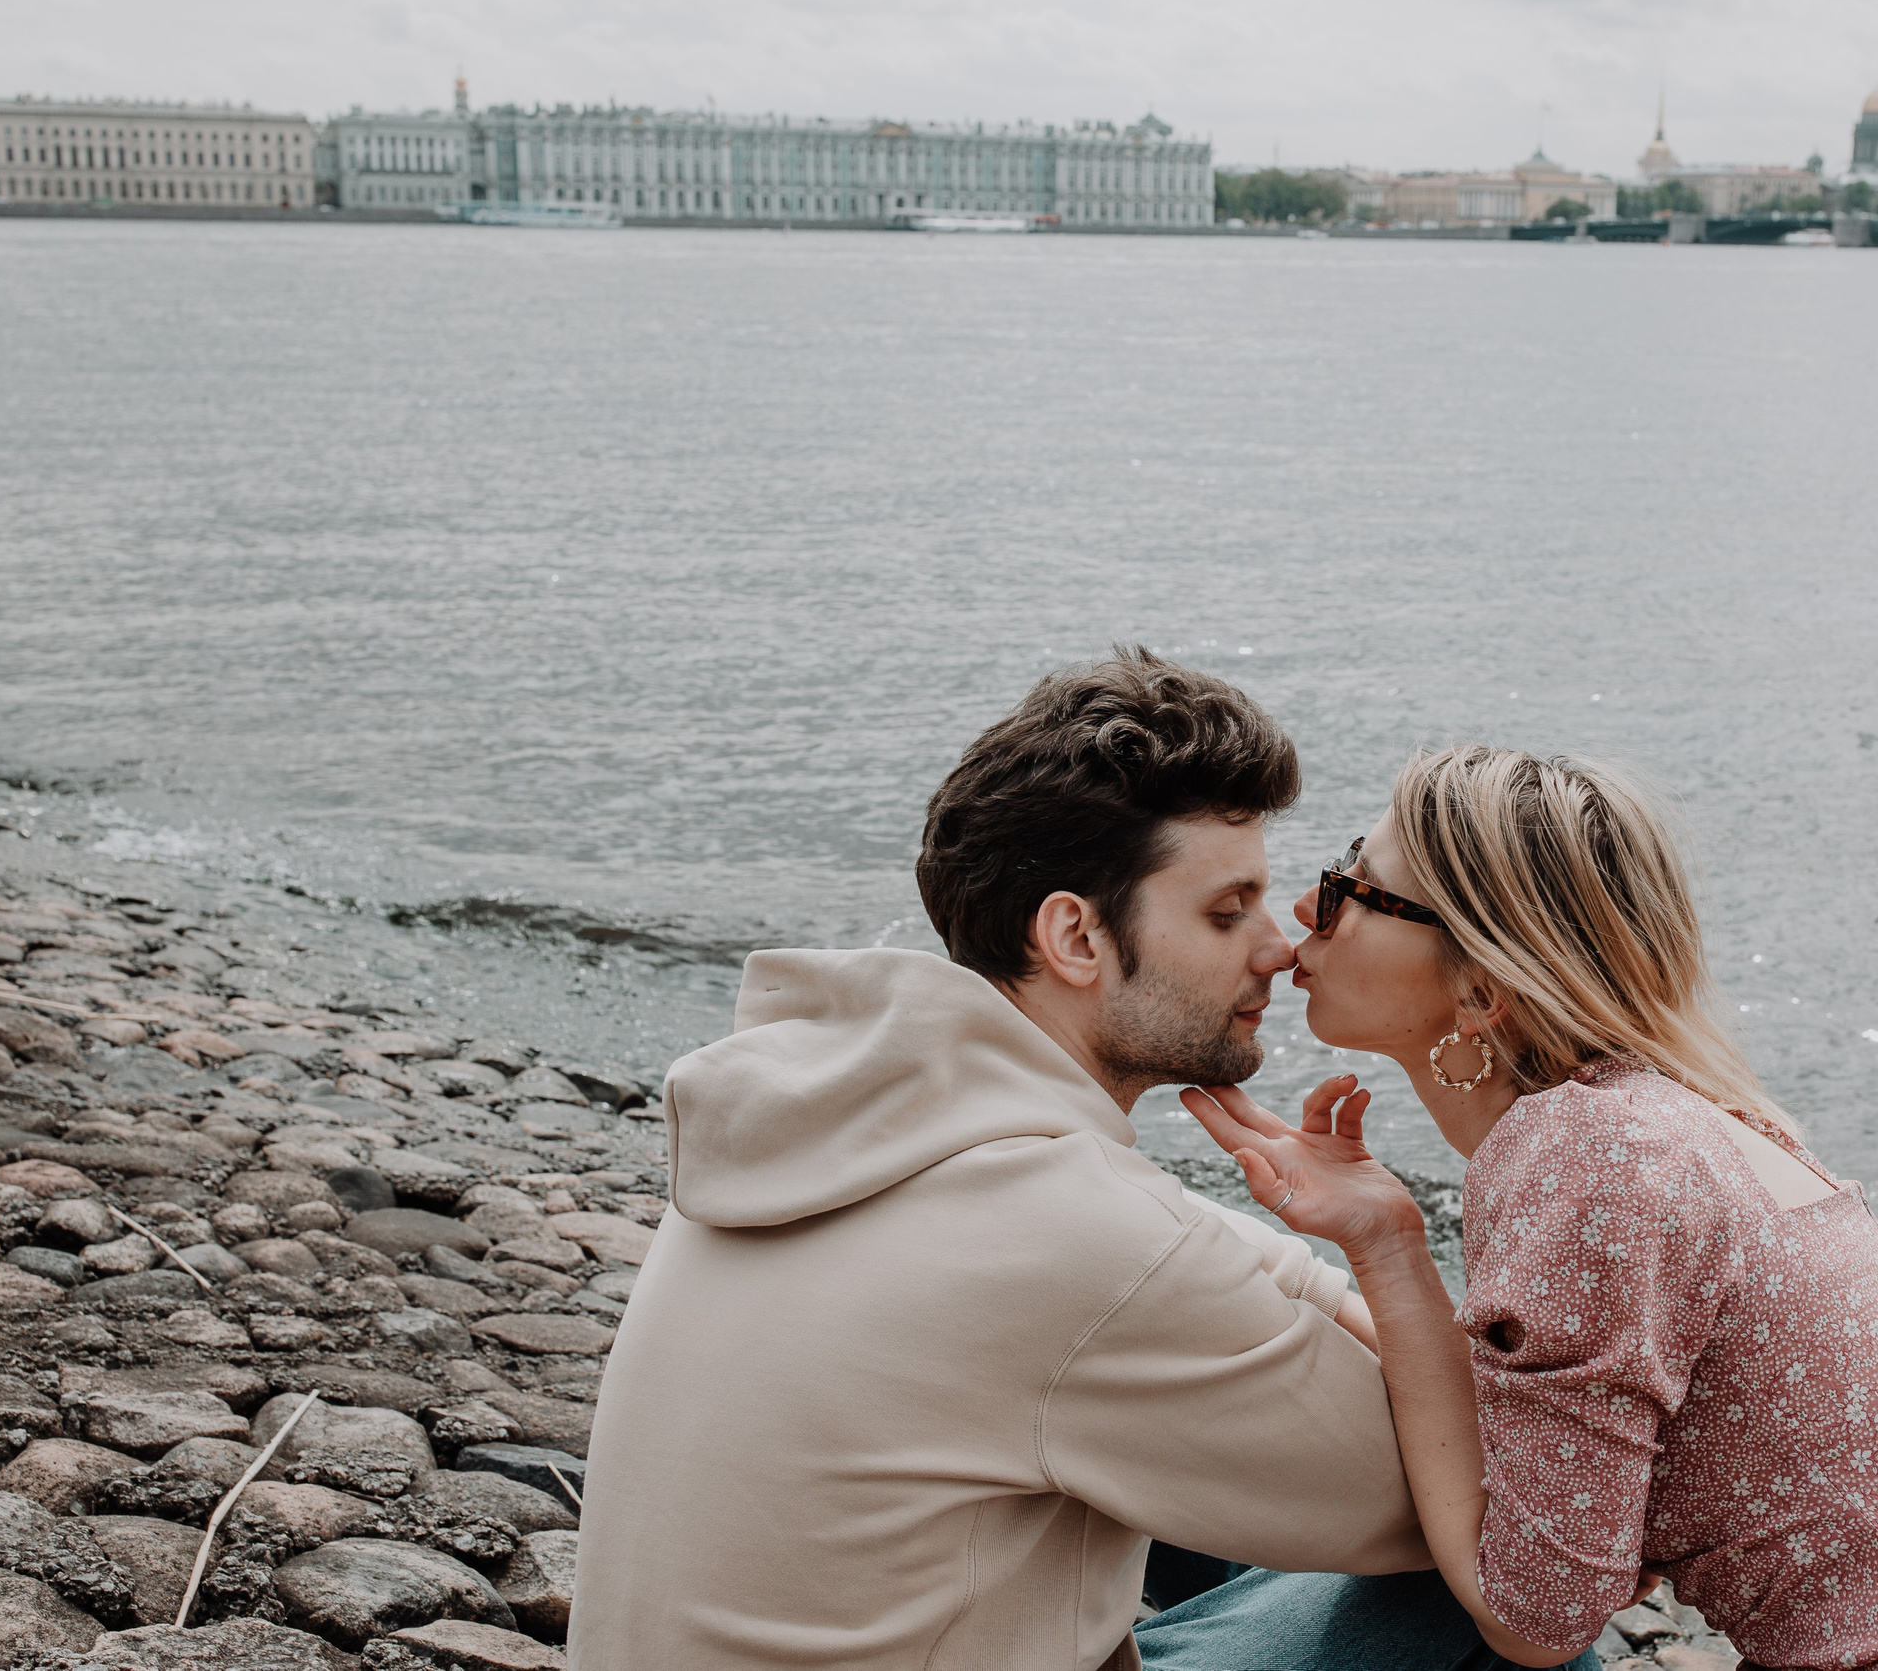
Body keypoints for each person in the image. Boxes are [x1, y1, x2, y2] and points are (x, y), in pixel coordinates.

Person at [573, 653, 1597, 1671]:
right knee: (1485, 1616)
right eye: (1224, 909)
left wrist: (1335, 1264)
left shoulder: (835, 1112)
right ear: (1074, 935)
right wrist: (1393, 1254)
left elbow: (1204, 1267)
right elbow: (1512, 1512)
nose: (1277, 948)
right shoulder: (1077, 1241)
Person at [1186, 746, 1878, 1670]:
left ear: (1481, 987)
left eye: (1351, 884)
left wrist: (1392, 1250)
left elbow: (1534, 1612)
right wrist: (1381, 1238)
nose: (1304, 912)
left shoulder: (1589, 1152)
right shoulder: (1680, 1125)